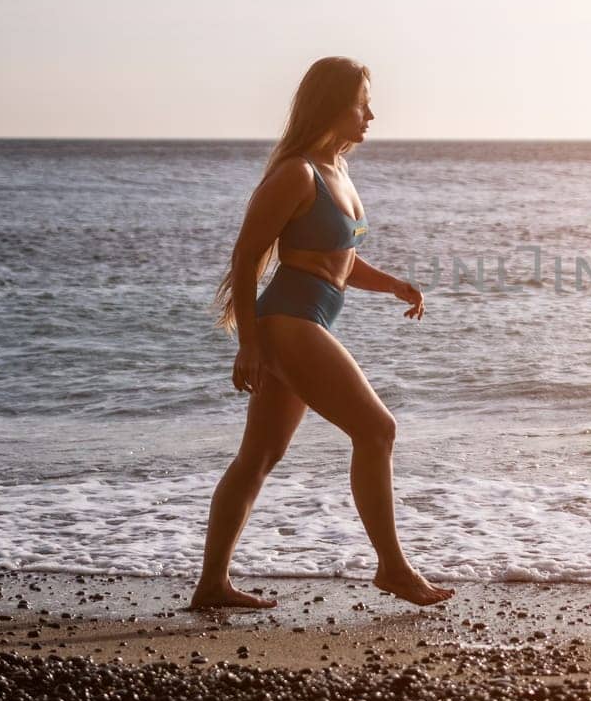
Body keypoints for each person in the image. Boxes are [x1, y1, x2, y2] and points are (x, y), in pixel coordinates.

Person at [194, 55, 454, 609]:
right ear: (333, 106)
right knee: (377, 430)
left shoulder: (336, 171)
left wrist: (395, 286)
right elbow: (245, 257)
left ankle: (211, 585)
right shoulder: (296, 172)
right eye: (362, 102)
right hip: (288, 323)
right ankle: (393, 568)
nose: (371, 114)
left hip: (300, 321)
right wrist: (248, 343)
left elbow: (339, 261)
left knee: (258, 457)